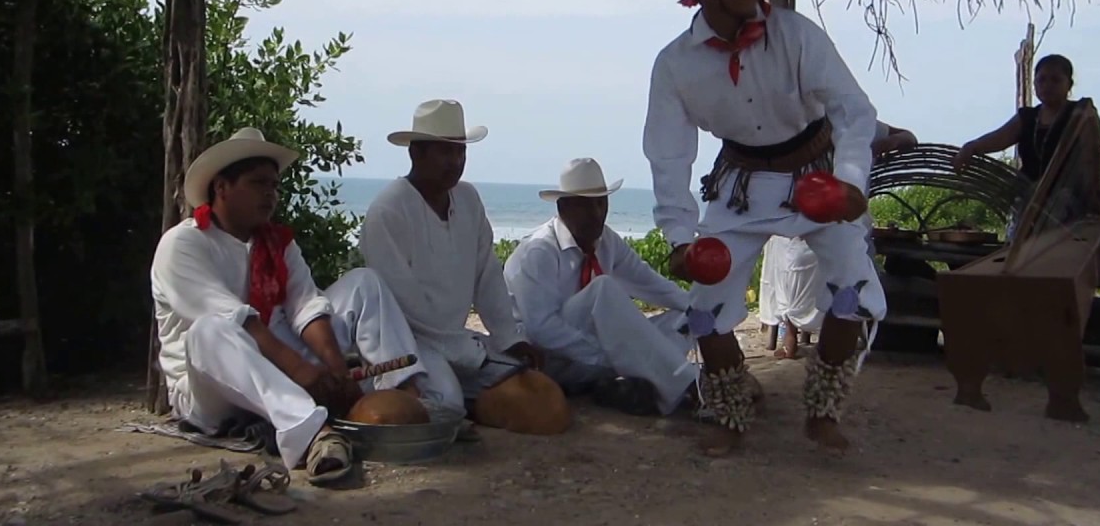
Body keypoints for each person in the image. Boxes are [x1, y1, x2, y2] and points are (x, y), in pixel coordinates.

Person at [643, 0, 886, 454]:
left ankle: (823, 412)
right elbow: (668, 154)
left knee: (853, 293)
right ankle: (729, 417)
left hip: (816, 174)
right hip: (741, 188)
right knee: (705, 309)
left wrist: (849, 183)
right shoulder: (675, 64)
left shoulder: (797, 34)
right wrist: (680, 238)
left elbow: (852, 109)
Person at [151, 128, 427, 486]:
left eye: (274, 185)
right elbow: (240, 321)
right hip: (212, 388)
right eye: (258, 183)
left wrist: (336, 370)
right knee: (211, 329)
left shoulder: (277, 242)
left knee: (364, 282)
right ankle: (315, 434)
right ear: (221, 188)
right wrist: (302, 372)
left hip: (281, 364)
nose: (271, 194)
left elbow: (305, 307)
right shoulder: (183, 243)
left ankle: (410, 404)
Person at [360, 99, 570, 434]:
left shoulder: (468, 200)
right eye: (445, 152)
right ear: (416, 153)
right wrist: (471, 353)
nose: (455, 162)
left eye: (460, 152)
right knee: (446, 402)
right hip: (408, 344)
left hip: (459, 342)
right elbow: (403, 306)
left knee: (541, 393)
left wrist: (508, 338)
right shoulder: (389, 211)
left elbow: (487, 275)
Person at [504, 157, 700, 416]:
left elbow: (650, 283)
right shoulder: (538, 252)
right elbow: (541, 330)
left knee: (685, 319)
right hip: (546, 360)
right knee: (603, 290)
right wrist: (610, 355)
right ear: (563, 207)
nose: (597, 214)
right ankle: (685, 388)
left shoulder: (606, 240)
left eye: (601, 203)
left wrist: (701, 312)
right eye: (586, 206)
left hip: (597, 353)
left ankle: (628, 385)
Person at [760, 122, 918, 360]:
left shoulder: (859, 121)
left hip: (847, 219)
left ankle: (839, 337)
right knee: (790, 250)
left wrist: (888, 143)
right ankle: (791, 332)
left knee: (848, 253)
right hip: (800, 215)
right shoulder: (800, 126)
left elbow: (909, 137)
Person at [953, 54, 1100, 234]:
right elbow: (1000, 138)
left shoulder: (1081, 115)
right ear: (1034, 85)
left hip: (1067, 205)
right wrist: (970, 147)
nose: (1047, 85)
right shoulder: (1028, 117)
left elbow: (1092, 157)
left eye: (1055, 80)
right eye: (1041, 80)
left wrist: (1092, 197)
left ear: (1069, 85)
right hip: (1029, 201)